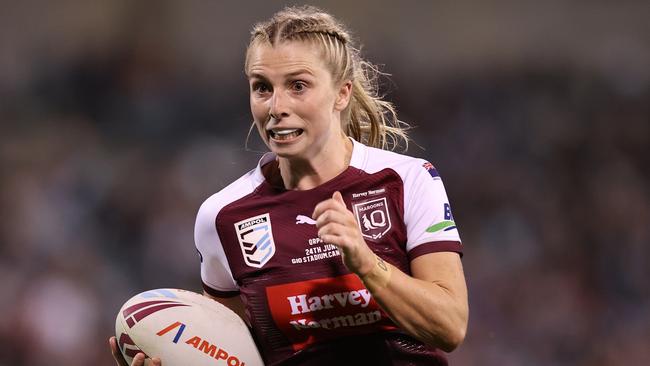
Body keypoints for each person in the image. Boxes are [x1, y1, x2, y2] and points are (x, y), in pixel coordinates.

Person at [110, 5, 468, 365]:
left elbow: (449, 327)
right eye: (262, 88)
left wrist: (366, 263)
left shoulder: (406, 179)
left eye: (298, 86)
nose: (276, 106)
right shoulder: (222, 216)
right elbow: (229, 356)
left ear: (341, 93)